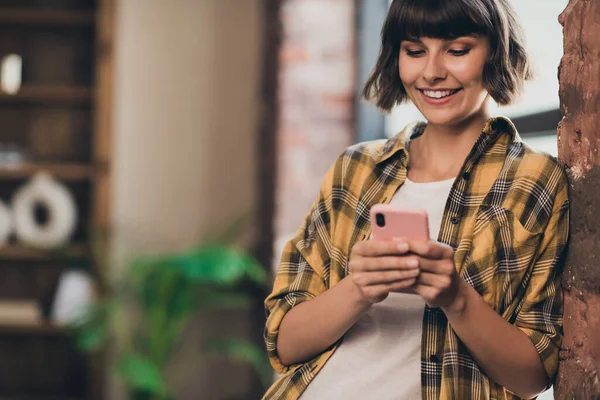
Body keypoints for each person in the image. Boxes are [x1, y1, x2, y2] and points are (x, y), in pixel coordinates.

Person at [263, 0, 570, 399]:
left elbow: (532, 378)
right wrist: (359, 288)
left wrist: (456, 298)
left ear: (495, 51)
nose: (432, 72)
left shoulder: (536, 181)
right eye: (414, 51)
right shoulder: (354, 169)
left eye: (457, 50)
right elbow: (284, 343)